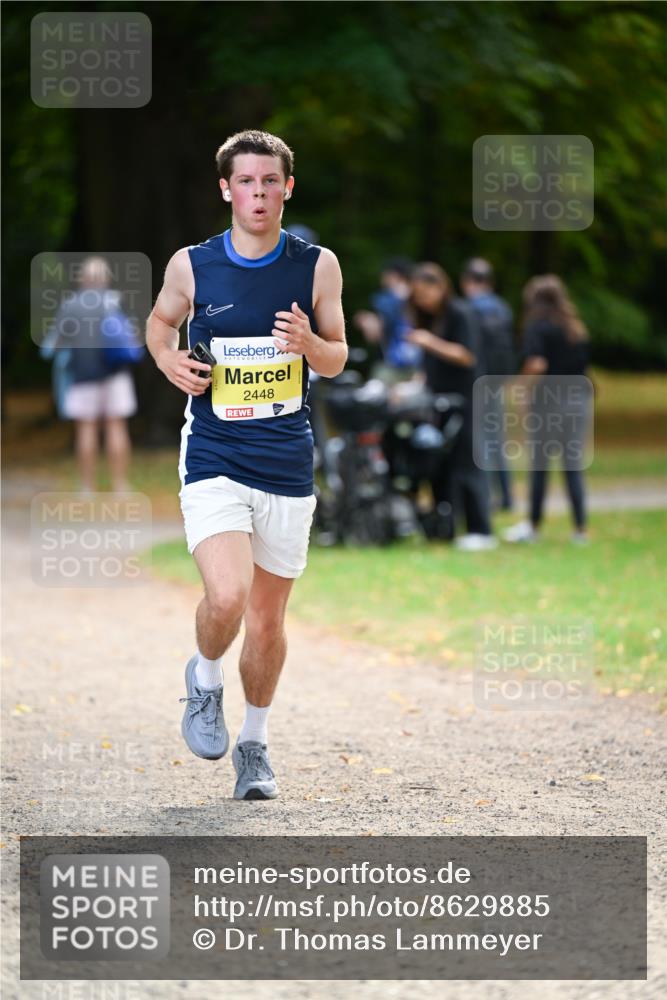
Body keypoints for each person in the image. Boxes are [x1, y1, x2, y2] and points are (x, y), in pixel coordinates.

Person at [146, 130, 347, 800]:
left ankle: (254, 746)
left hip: (287, 461)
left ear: (286, 188)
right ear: (225, 189)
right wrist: (169, 359)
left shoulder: (316, 265)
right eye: (246, 182)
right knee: (227, 596)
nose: (257, 194)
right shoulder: (193, 265)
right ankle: (203, 680)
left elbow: (337, 356)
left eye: (269, 182)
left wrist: (309, 342)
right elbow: (159, 323)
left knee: (265, 621)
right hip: (214, 453)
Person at [405, 263, 497, 550]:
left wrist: (429, 342)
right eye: (417, 296)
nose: (422, 301)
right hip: (438, 401)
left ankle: (481, 528)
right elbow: (428, 367)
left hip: (466, 398)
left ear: (440, 287)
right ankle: (446, 526)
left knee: (468, 462)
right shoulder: (431, 318)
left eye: (425, 293)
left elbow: (466, 356)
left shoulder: (460, 314)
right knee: (440, 463)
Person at [503, 274, 591, 545]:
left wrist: (520, 388)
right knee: (572, 466)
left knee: (540, 466)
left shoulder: (537, 328)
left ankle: (533, 525)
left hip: (549, 404)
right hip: (577, 402)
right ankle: (580, 530)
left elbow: (537, 364)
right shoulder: (575, 329)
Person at [43, 256, 137, 493]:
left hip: (83, 376)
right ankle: (120, 485)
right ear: (105, 279)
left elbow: (53, 345)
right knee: (117, 427)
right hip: (115, 374)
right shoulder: (115, 301)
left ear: (82, 278)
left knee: (86, 430)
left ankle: (87, 487)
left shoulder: (70, 306)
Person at [460, 257, 515, 511]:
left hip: (478, 381)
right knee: (497, 440)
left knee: (480, 441)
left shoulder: (470, 309)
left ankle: (486, 497)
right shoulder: (503, 308)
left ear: (468, 281)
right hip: (498, 381)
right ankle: (506, 496)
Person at [353, 257, 420, 384]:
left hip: (391, 366)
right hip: (419, 367)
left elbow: (374, 334)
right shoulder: (421, 297)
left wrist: (366, 321)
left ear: (393, 275)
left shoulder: (386, 299)